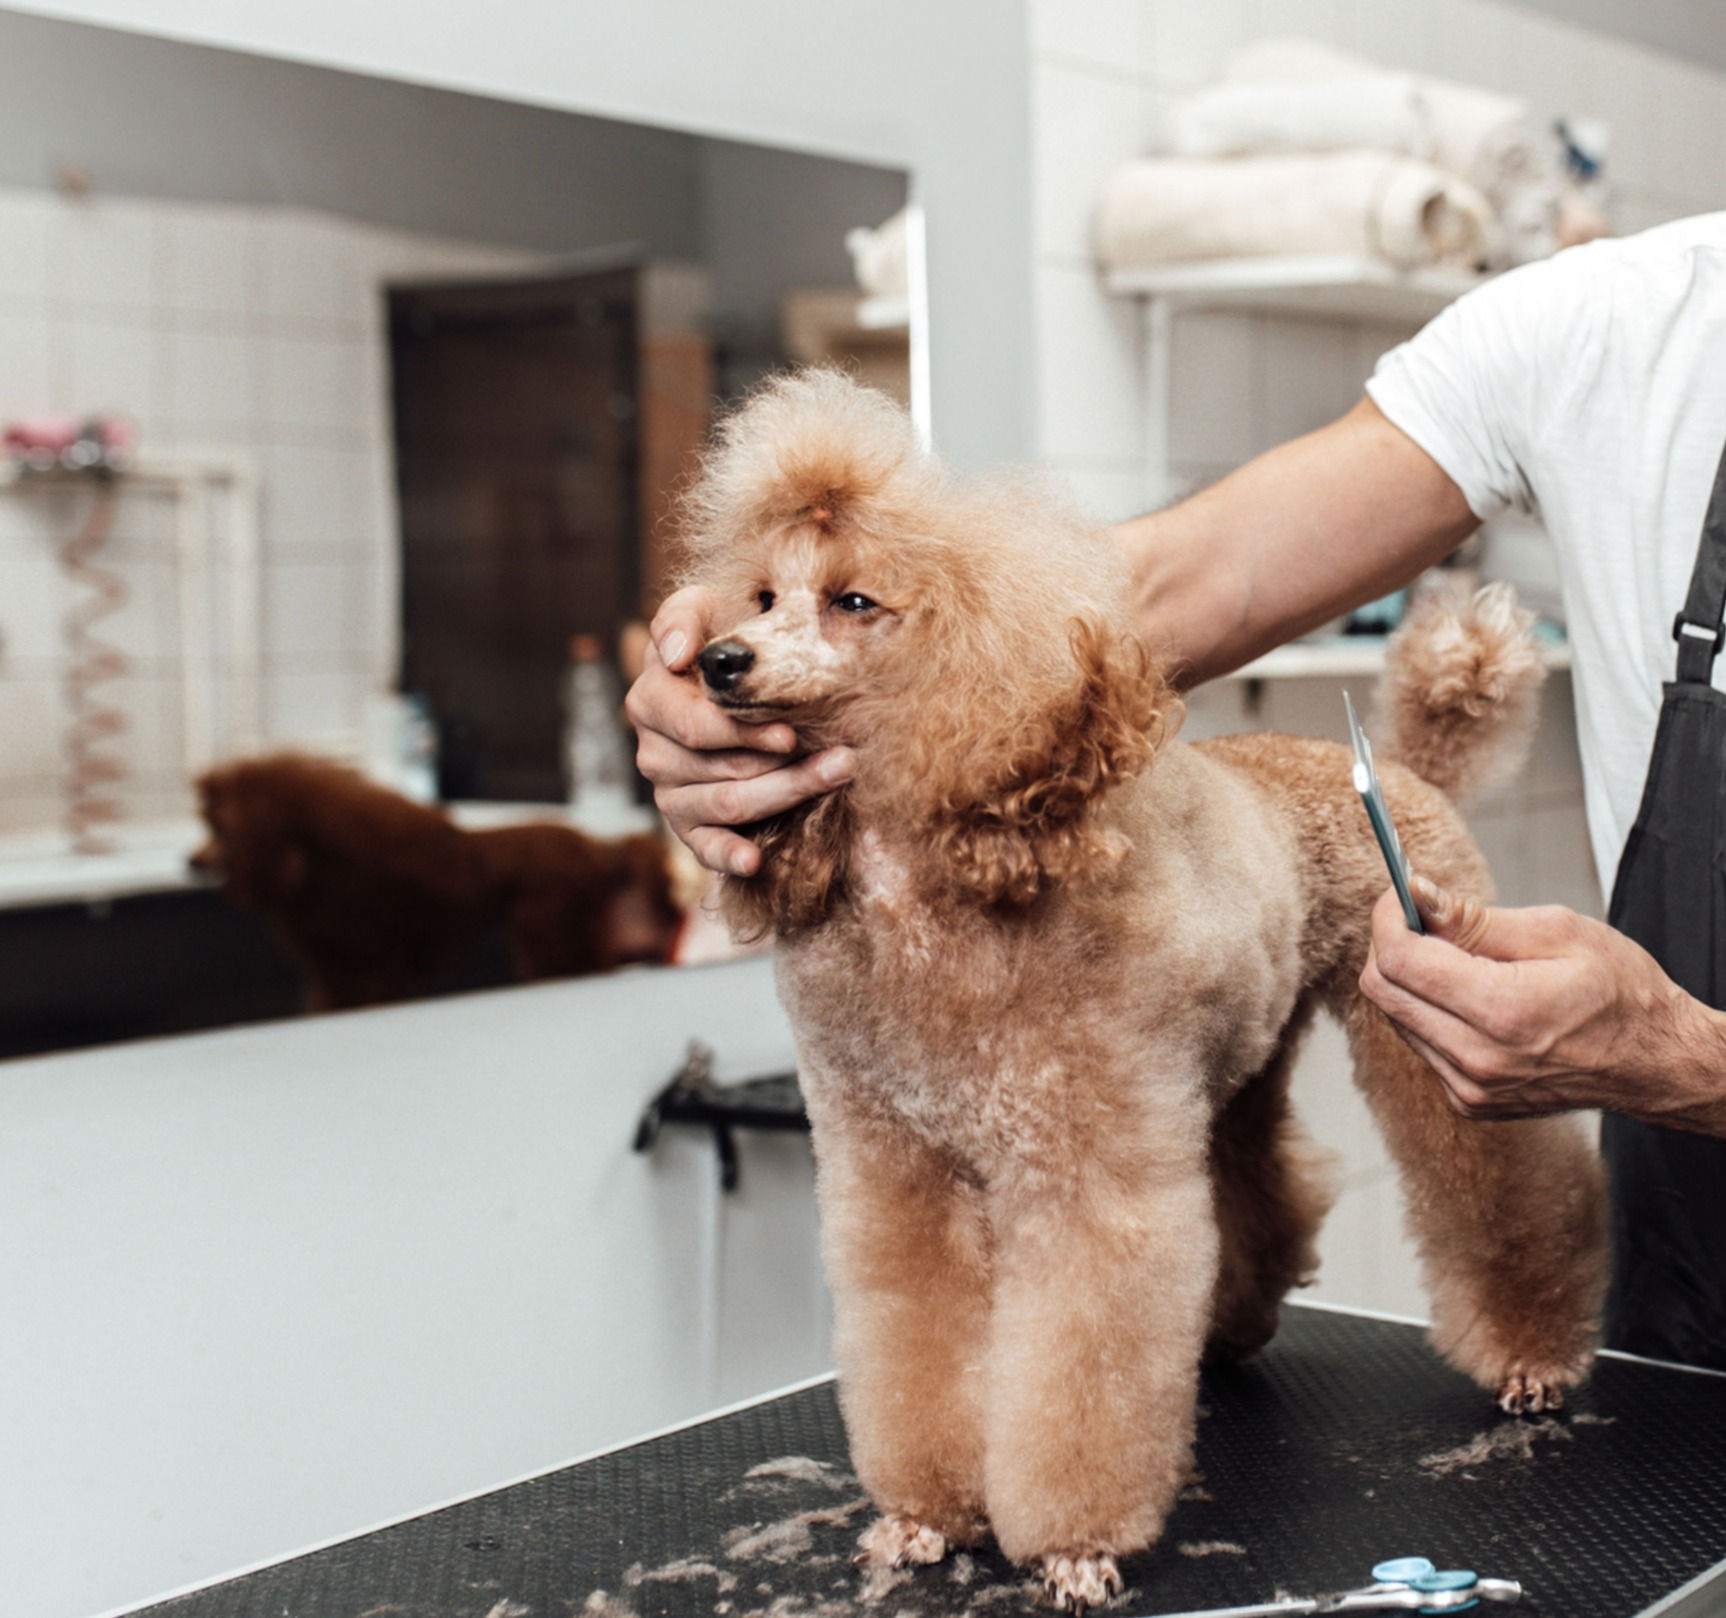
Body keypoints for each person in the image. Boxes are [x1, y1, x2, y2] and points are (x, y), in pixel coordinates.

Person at [626, 213, 1726, 1368]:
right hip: (1698, 1283)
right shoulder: (1604, 318)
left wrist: (1681, 1053)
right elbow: (1159, 590)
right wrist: (771, 674)